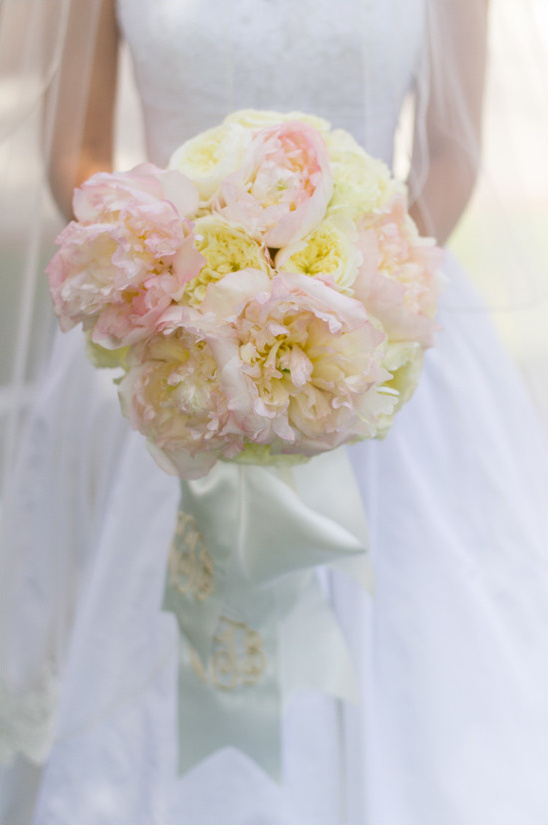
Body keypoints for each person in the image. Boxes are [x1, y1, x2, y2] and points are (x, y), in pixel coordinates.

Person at [1, 2, 547, 824]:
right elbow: (73, 152)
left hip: (376, 332)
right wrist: (187, 295)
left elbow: (449, 152)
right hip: (171, 341)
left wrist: (355, 296)